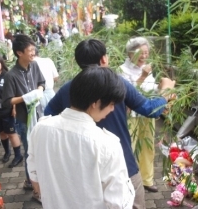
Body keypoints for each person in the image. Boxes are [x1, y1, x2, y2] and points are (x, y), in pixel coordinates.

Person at [44, 39, 176, 209]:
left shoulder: (68, 88)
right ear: (104, 59)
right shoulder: (117, 83)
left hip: (82, 165)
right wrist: (165, 92)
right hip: (122, 164)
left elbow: (47, 116)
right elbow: (151, 109)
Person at [28, 67, 135, 208]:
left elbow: (34, 176)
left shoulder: (40, 129)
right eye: (111, 104)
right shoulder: (107, 144)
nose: (112, 109)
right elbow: (118, 203)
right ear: (95, 103)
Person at [2, 34, 45, 194]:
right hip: (23, 120)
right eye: (30, 50)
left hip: (39, 115)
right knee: (29, 151)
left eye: (34, 49)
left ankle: (40, 177)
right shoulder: (11, 75)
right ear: (20, 53)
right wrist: (26, 98)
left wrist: (39, 91)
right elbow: (7, 101)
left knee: (40, 148)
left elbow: (41, 82)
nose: (33, 53)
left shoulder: (34, 66)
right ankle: (30, 182)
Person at [119, 37, 158, 192]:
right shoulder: (122, 70)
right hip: (131, 115)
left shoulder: (147, 68)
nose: (144, 56)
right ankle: (127, 181)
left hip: (147, 113)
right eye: (140, 53)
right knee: (130, 147)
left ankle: (147, 180)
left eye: (146, 53)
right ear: (130, 53)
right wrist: (142, 76)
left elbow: (151, 89)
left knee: (148, 147)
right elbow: (127, 94)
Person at [34, 47, 59, 111]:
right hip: (50, 92)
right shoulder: (48, 60)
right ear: (38, 54)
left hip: (37, 94)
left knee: (41, 118)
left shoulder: (30, 63)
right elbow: (56, 77)